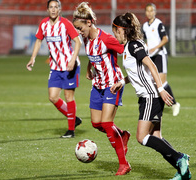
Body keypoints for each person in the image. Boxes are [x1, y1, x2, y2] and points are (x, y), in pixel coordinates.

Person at [110, 13, 191, 180]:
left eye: (115, 31)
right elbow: (139, 72)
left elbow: (151, 65)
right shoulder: (131, 46)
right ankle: (184, 172)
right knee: (156, 138)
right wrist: (123, 81)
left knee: (142, 137)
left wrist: (160, 89)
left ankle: (180, 158)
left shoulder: (133, 46)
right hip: (149, 96)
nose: (114, 34)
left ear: (121, 30)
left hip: (150, 96)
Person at [72, 2, 131, 176]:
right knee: (97, 123)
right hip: (97, 85)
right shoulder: (85, 38)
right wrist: (89, 68)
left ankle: (124, 164)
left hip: (112, 85)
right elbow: (94, 55)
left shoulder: (106, 39)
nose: (77, 31)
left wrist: (127, 78)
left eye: (79, 27)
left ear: (89, 23)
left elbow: (127, 52)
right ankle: (122, 135)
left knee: (106, 123)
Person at [26, 0, 82, 138]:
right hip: (55, 67)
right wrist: (33, 58)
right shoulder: (44, 24)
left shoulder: (66, 24)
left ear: (59, 10)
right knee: (52, 97)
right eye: (51, 7)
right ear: (47, 10)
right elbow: (38, 40)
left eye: (56, 7)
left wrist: (73, 59)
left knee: (69, 97)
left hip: (70, 66)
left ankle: (71, 130)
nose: (53, 9)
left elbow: (78, 42)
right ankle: (74, 119)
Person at [142, 3, 180, 116]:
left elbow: (165, 39)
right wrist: (147, 48)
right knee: (153, 81)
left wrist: (155, 48)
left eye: (151, 11)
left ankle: (174, 104)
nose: (149, 13)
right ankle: (158, 105)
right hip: (151, 56)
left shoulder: (158, 24)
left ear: (155, 12)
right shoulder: (144, 26)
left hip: (160, 55)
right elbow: (146, 40)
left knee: (162, 83)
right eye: (147, 11)